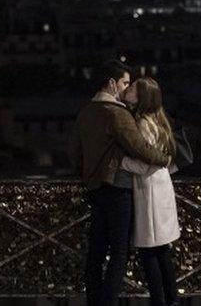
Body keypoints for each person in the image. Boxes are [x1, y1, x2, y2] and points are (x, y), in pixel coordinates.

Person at [70, 60, 171, 306]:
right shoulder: (117, 113)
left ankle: (95, 300)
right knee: (118, 252)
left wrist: (88, 173)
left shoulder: (85, 112)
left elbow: (75, 153)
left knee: (95, 252)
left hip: (94, 189)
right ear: (112, 83)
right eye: (125, 82)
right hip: (118, 188)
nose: (126, 88)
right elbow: (140, 148)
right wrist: (165, 158)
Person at [119, 77, 181, 306]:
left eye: (134, 87)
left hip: (150, 189)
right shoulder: (159, 120)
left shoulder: (143, 123)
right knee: (162, 250)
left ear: (142, 97)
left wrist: (121, 162)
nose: (129, 88)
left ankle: (159, 300)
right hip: (160, 186)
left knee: (149, 251)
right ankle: (171, 299)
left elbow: (144, 163)